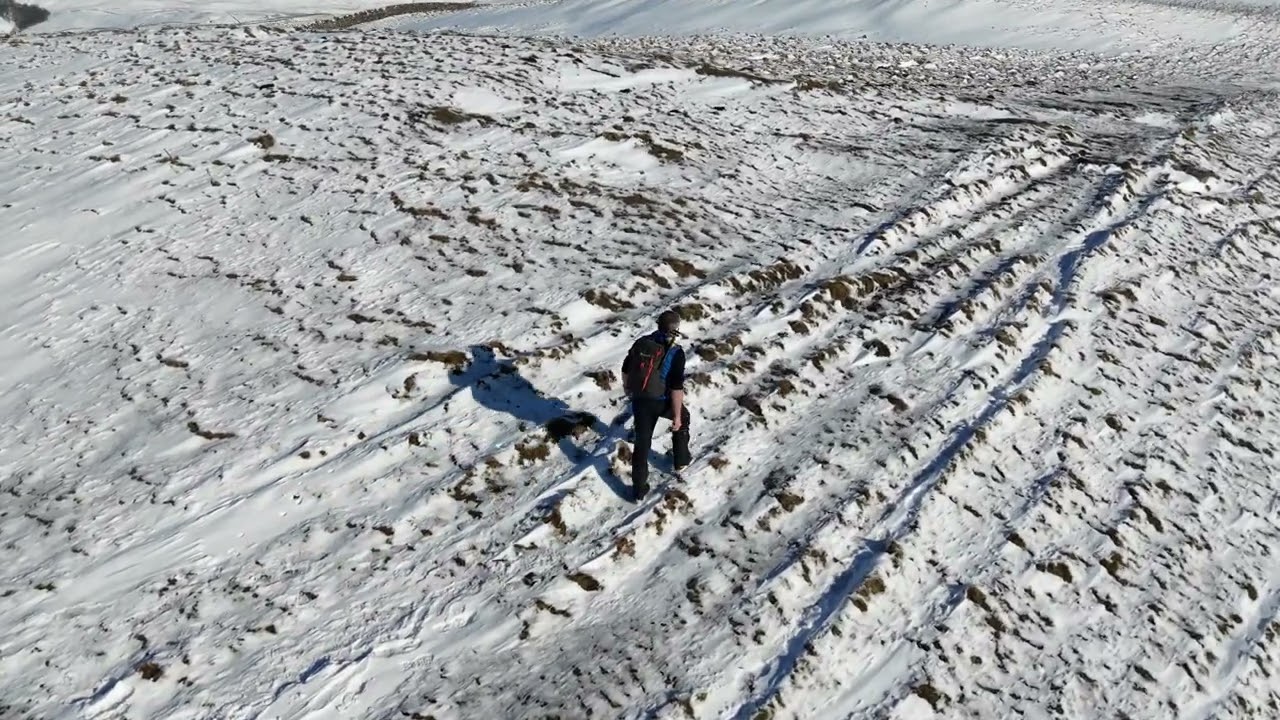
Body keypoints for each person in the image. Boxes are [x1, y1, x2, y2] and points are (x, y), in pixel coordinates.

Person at [620, 310, 691, 499]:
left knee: (642, 443)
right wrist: (675, 416)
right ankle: (681, 460)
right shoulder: (676, 352)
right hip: (661, 401)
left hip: (640, 400)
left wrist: (628, 388)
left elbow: (626, 368)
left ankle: (639, 489)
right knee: (684, 417)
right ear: (676, 328)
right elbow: (676, 387)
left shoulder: (642, 342)